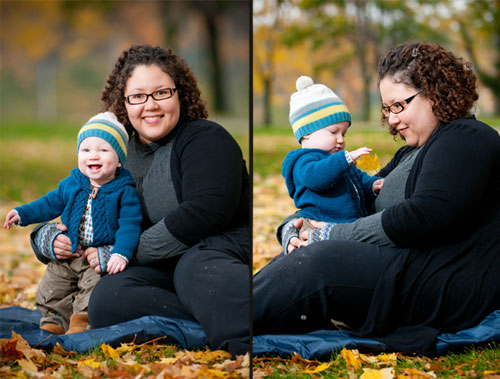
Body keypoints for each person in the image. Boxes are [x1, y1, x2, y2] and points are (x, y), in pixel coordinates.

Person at [253, 41, 500, 356]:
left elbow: (426, 215)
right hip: (401, 270)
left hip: (442, 284)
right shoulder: (412, 151)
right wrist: (293, 229)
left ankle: (227, 318)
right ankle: (225, 309)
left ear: (435, 92)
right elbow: (344, 194)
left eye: (399, 105)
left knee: (320, 262)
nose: (392, 120)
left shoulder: (468, 139)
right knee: (298, 258)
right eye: (387, 109)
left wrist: (327, 234)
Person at [29, 44, 250, 355]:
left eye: (161, 93)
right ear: (124, 103)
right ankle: (212, 317)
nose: (150, 105)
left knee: (195, 268)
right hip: (158, 271)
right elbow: (76, 201)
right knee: (106, 298)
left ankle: (247, 327)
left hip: (214, 252)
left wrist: (123, 254)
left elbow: (204, 214)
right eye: (137, 96)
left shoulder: (205, 139)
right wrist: (46, 238)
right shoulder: (117, 156)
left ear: (180, 94)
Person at [4, 112, 142, 335]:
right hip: (69, 251)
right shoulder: (72, 183)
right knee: (53, 283)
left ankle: (81, 321)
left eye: (103, 150)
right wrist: (22, 213)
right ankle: (54, 319)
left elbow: (130, 225)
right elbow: (49, 203)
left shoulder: (125, 191)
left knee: (94, 287)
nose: (93, 156)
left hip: (97, 257)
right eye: (86, 150)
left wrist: (120, 253)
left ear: (118, 160)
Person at [282, 75, 383, 248]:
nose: (341, 140)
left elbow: (359, 179)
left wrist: (373, 185)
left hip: (342, 224)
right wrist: (345, 159)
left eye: (343, 134)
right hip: (317, 225)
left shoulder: (337, 160)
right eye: (333, 132)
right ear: (306, 132)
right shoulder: (304, 161)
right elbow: (316, 178)